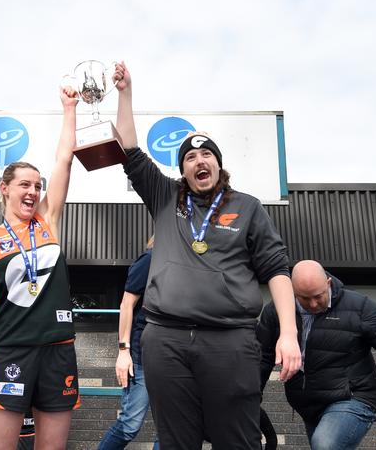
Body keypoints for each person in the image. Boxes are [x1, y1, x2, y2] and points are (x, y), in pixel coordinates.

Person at [112, 61, 301, 450]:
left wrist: (288, 332)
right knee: (176, 441)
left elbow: (277, 271)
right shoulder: (166, 199)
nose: (200, 162)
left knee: (237, 439)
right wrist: (125, 93)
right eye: (191, 158)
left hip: (229, 340)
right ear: (182, 170)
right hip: (165, 340)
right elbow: (129, 150)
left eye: (207, 156)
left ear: (218, 162)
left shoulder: (248, 207)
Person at [0, 86, 79, 449]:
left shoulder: (49, 221)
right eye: (24, 184)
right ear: (4, 188)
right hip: (11, 351)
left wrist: (69, 108)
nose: (33, 192)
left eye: (37, 186)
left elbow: (64, 160)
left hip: (59, 350)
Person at [257, 260, 376, 450]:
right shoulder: (275, 313)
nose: (313, 304)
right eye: (305, 298)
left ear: (328, 283)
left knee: (324, 445)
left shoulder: (360, 308)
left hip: (353, 398)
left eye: (318, 296)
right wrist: (250, 398)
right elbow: (262, 359)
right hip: (309, 406)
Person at [98, 237, 159, 450]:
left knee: (171, 429)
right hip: (141, 359)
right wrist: (123, 352)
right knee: (130, 424)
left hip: (171, 359)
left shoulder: (182, 266)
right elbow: (126, 305)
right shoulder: (150, 260)